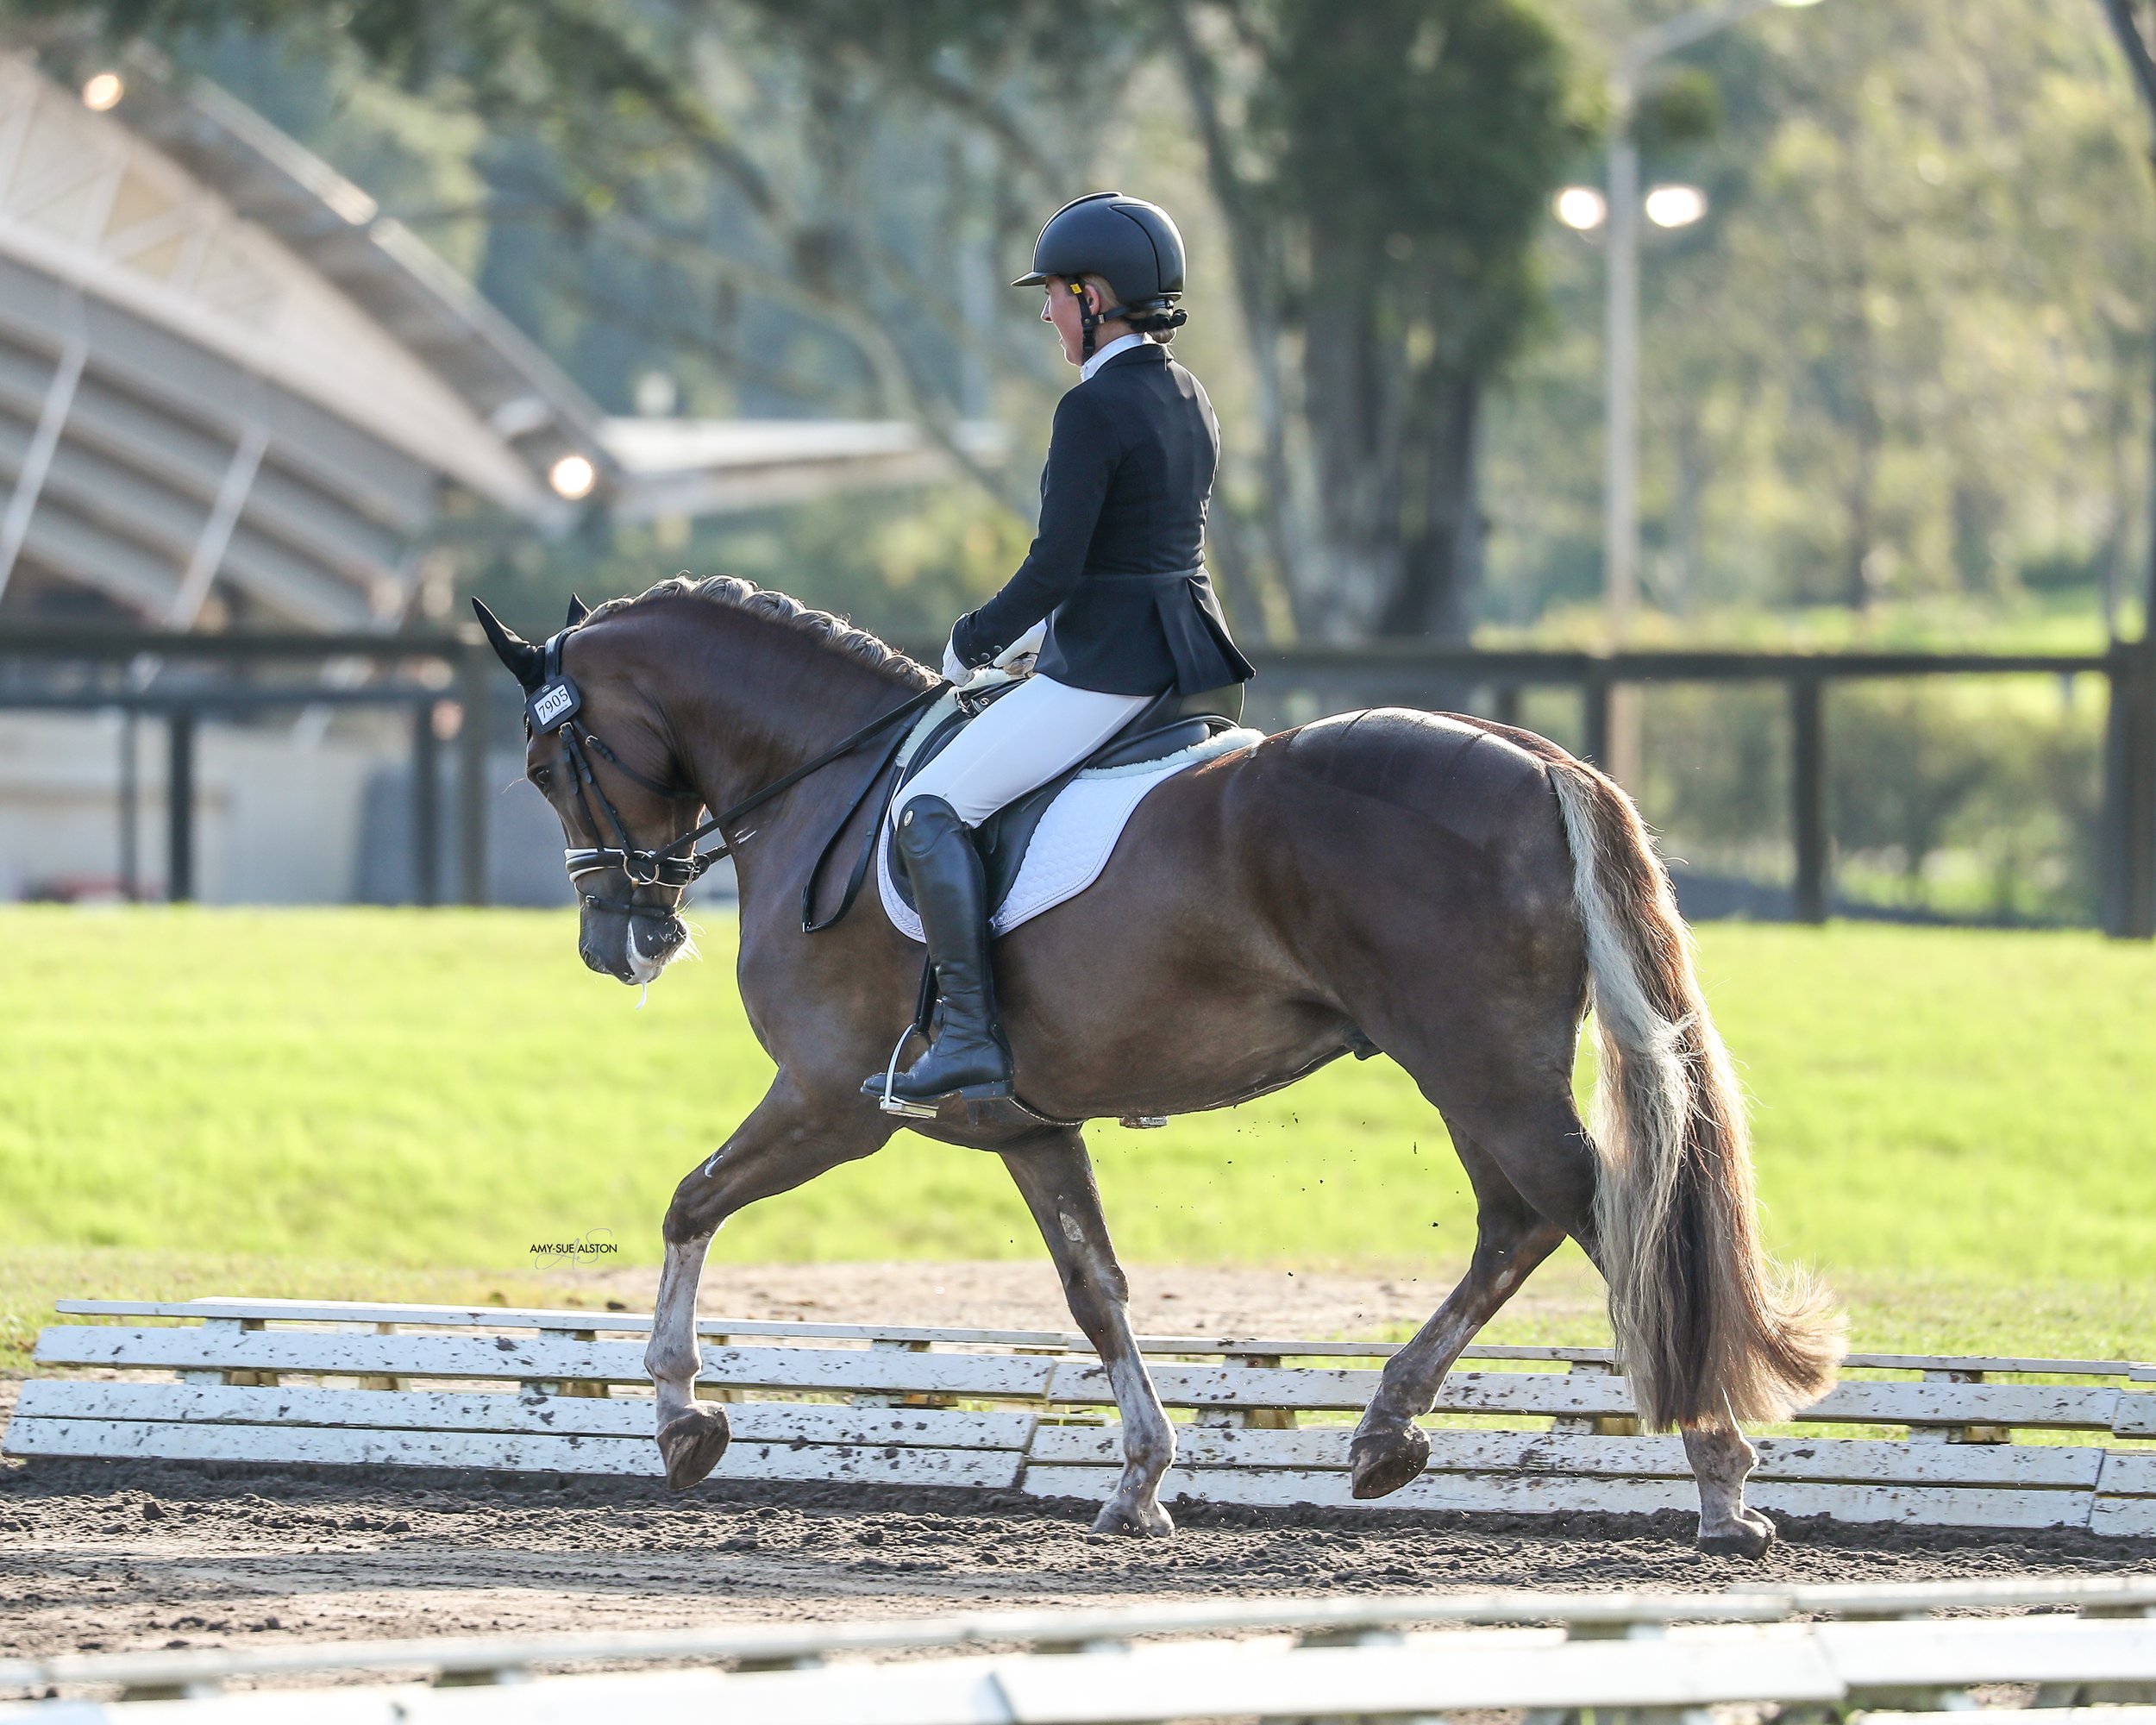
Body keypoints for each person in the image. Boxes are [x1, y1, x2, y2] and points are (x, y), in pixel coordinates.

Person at [865, 191, 1256, 1113]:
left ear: (1094, 295)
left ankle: (964, 1034)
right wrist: (1046, 638)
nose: (1047, 314)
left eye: (1053, 294)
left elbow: (1058, 563)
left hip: (1114, 672)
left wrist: (976, 638)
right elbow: (1136, 554)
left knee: (928, 804)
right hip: (1194, 664)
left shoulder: (1092, 408)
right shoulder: (1186, 391)